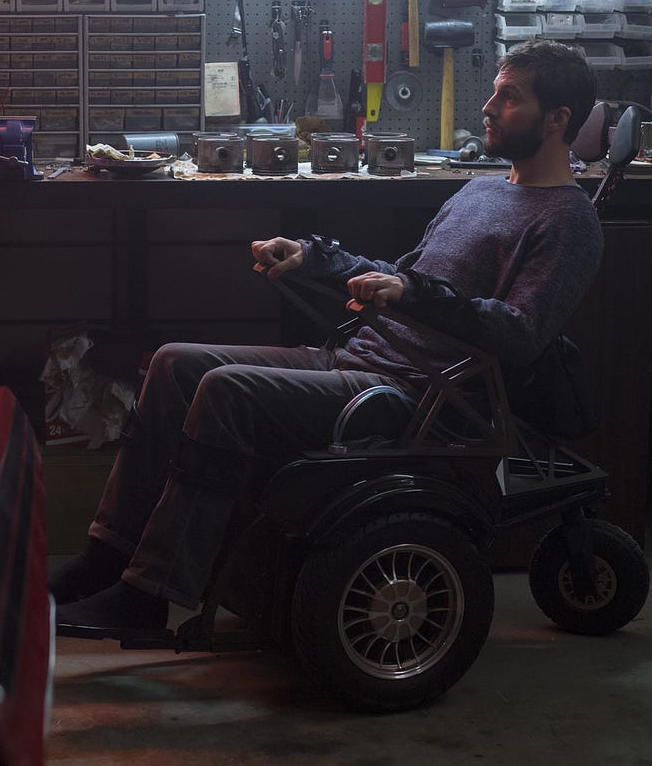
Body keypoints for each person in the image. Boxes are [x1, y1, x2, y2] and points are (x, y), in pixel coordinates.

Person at [52, 39, 603, 637]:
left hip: (421, 397)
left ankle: (147, 594)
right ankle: (106, 559)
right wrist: (313, 258)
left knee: (224, 390)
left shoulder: (568, 222)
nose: (490, 108)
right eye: (494, 93)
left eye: (509, 98)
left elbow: (521, 333)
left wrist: (413, 295)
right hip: (359, 360)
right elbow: (402, 275)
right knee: (173, 363)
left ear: (558, 119)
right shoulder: (481, 190)